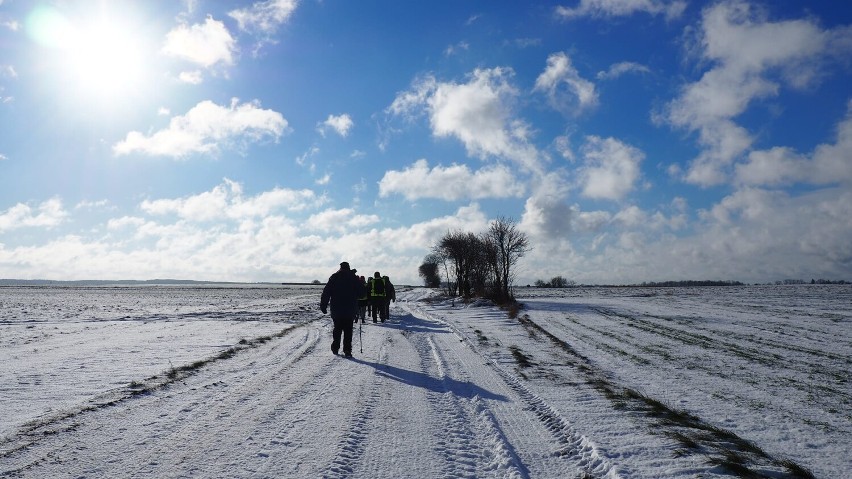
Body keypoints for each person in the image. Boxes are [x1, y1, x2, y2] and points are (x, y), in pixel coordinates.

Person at [320, 262, 366, 357]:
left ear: (340, 268)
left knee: (337, 329)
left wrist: (323, 305)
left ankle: (335, 348)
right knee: (348, 330)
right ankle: (347, 350)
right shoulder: (353, 278)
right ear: (349, 268)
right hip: (350, 309)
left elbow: (326, 292)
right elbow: (362, 294)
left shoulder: (334, 277)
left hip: (336, 309)